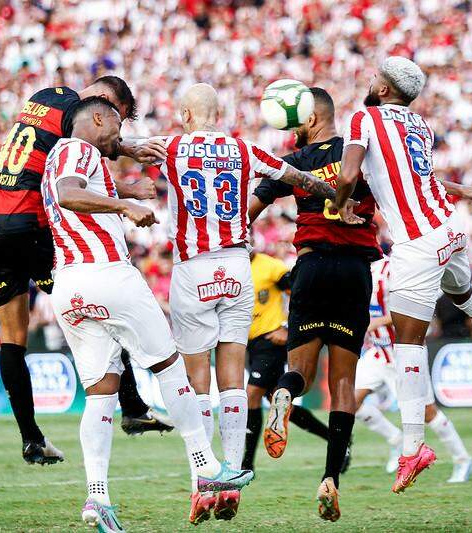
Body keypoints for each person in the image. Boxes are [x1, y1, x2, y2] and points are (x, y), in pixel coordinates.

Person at [41, 97, 253, 531]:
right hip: (105, 274)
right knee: (170, 365)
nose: (119, 134)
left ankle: (97, 497)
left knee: (101, 393)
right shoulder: (76, 148)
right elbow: (70, 194)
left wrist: (124, 192)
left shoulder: (56, 158)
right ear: (98, 118)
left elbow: (72, 193)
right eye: (117, 123)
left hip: (69, 286)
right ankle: (208, 465)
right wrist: (124, 206)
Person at [334, 56, 472, 493]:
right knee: (462, 295)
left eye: (375, 77)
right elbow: (423, 178)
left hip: (418, 241)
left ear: (383, 89)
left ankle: (413, 446)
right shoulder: (418, 125)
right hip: (449, 224)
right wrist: (467, 190)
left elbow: (348, 173)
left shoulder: (363, 117)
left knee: (408, 342)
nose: (370, 80)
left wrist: (339, 202)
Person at [154, 83, 336, 521]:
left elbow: (124, 148)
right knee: (233, 378)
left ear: (185, 114)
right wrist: (337, 198)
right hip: (237, 265)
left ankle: (204, 482)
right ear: (220, 112)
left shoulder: (172, 146)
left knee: (199, 380)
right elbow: (298, 178)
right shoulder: (243, 149)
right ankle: (233, 476)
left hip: (193, 267)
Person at [0, 76, 169, 464]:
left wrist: (126, 181)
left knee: (13, 339)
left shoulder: (44, 98)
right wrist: (131, 159)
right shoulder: (73, 115)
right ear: (100, 107)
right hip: (27, 225)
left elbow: (64, 167)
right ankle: (131, 407)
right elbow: (74, 174)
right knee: (99, 293)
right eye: (116, 118)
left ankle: (32, 439)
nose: (115, 129)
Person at [250, 87, 380, 521]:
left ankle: (284, 395)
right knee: (342, 383)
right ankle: (330, 479)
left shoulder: (294, 162)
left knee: (300, 371)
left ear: (308, 120)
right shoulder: (361, 150)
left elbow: (250, 208)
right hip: (354, 271)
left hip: (310, 268)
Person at [354, 256, 472, 482]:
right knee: (350, 403)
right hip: (378, 353)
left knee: (428, 412)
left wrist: (378, 322)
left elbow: (415, 308)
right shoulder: (357, 269)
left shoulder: (394, 269)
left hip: (405, 351)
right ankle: (396, 440)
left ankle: (463, 459)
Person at [242, 249, 332, 474]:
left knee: (251, 394)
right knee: (278, 400)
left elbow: (300, 294)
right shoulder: (233, 269)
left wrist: (287, 327)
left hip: (270, 341)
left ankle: (246, 464)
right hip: (249, 344)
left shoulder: (271, 266)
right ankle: (334, 437)